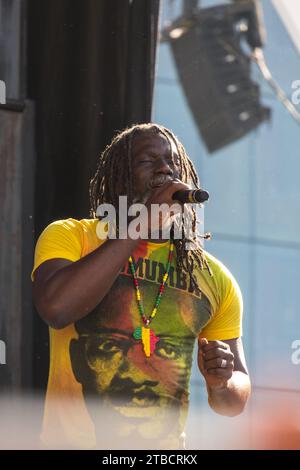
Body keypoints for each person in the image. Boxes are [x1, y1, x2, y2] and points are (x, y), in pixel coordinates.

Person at [31, 123, 251, 449]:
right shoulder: (71, 236)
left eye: (172, 162)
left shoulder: (212, 276)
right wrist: (141, 225)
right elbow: (56, 308)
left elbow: (235, 401)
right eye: (148, 161)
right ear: (121, 178)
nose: (165, 168)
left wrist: (222, 383)